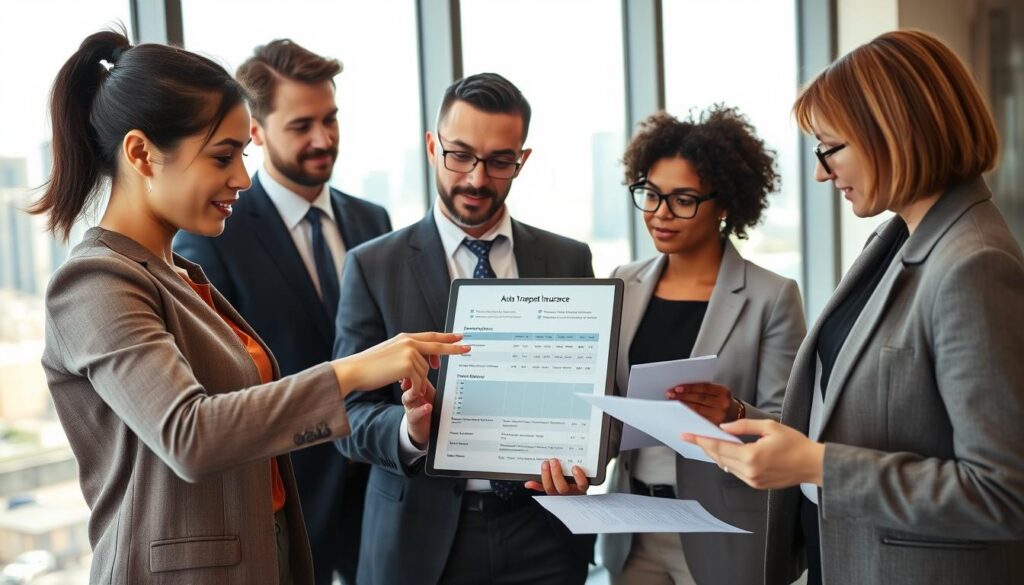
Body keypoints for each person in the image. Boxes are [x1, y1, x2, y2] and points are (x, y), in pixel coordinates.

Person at [34, 29, 467, 585]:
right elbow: (189, 436)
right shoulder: (94, 282)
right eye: (223, 156)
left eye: (242, 153)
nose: (242, 177)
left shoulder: (183, 277)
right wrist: (354, 370)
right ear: (141, 153)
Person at [684, 29, 1024, 585]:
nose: (821, 171)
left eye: (830, 147)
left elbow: (1003, 491)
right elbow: (877, 421)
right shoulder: (894, 242)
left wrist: (816, 466)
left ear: (895, 133)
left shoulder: (973, 263)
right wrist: (747, 423)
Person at [332, 72, 596, 585]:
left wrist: (587, 456)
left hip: (543, 530)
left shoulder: (568, 257)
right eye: (460, 155)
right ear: (433, 147)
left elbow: (591, 393)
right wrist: (410, 432)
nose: (476, 178)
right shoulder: (373, 265)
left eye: (499, 161)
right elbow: (347, 415)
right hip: (417, 539)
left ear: (522, 160)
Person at [173, 38, 390, 585]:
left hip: (384, 496)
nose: (324, 139)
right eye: (301, 126)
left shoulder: (373, 220)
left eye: (330, 119)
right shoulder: (213, 237)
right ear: (256, 131)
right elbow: (221, 393)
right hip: (291, 500)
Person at [585, 106, 805, 585]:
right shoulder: (623, 282)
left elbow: (790, 426)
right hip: (633, 521)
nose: (661, 214)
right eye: (651, 195)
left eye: (683, 199)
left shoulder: (772, 295)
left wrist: (733, 411)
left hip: (723, 525)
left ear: (723, 203)